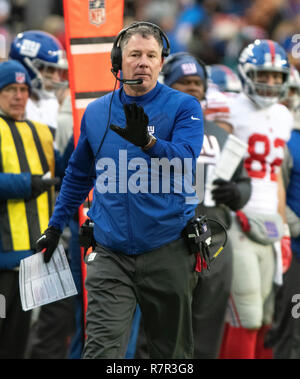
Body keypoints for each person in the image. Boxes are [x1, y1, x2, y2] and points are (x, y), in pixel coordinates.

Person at [34, 21, 204, 359]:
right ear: (118, 61)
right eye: (135, 54)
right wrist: (55, 225)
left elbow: (186, 158)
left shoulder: (184, 107)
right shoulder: (97, 111)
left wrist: (150, 142)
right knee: (101, 350)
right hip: (111, 252)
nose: (143, 62)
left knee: (170, 355)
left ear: (161, 63)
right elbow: (78, 173)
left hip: (167, 246)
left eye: (151, 55)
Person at [135, 52, 251, 359]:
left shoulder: (220, 134)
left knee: (206, 331)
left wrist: (235, 193)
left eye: (197, 82)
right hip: (165, 243)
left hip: (215, 244)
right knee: (159, 334)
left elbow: (244, 184)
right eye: (183, 82)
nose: (192, 88)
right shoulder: (149, 131)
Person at [218, 39, 293, 359]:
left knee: (265, 316)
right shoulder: (229, 107)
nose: (271, 83)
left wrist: (283, 228)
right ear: (247, 74)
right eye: (264, 75)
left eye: (277, 77)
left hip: (271, 222)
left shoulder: (283, 115)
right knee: (245, 314)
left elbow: (275, 175)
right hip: (236, 217)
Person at [0, 60, 59, 358]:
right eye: (10, 89)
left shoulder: (43, 133)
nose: (18, 96)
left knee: (19, 340)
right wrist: (27, 183)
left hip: (34, 261)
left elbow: (70, 166)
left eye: (23, 89)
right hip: (2, 263)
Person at [264, 65, 300, 359]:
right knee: (284, 326)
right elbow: (271, 188)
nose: (285, 96)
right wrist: (294, 225)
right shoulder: (282, 138)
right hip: (287, 245)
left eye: (290, 90)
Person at [9, 30, 68, 131]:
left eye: (57, 71)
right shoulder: (12, 105)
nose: (57, 78)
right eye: (50, 70)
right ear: (28, 68)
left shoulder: (51, 102)